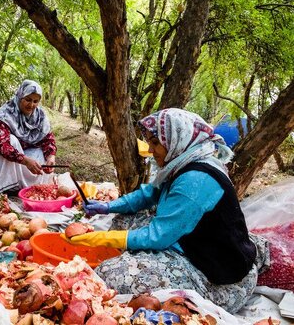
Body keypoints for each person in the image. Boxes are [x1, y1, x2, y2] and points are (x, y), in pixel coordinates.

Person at [66, 108, 269, 313]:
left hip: (218, 277)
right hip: (195, 244)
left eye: (156, 143)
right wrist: (108, 206)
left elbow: (157, 236)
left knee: (110, 273)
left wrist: (99, 238)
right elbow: (148, 195)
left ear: (176, 139)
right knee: (123, 220)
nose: (151, 150)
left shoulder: (195, 180)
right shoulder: (181, 162)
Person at [0, 80, 57, 193]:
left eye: (36, 101)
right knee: (12, 141)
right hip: (2, 159)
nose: (31, 105)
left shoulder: (40, 116)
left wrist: (51, 157)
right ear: (20, 96)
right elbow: (2, 146)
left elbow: (48, 139)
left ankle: (23, 186)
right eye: (28, 100)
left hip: (24, 157)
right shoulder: (5, 114)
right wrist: (25, 161)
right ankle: (5, 185)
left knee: (42, 153)